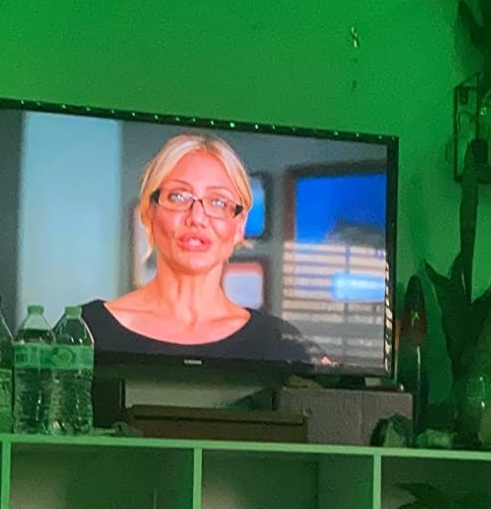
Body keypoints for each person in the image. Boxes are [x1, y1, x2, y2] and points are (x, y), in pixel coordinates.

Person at [81, 134, 315, 362]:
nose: (197, 218)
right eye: (178, 197)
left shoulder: (281, 344)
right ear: (148, 212)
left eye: (218, 202)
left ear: (239, 225)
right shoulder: (86, 329)